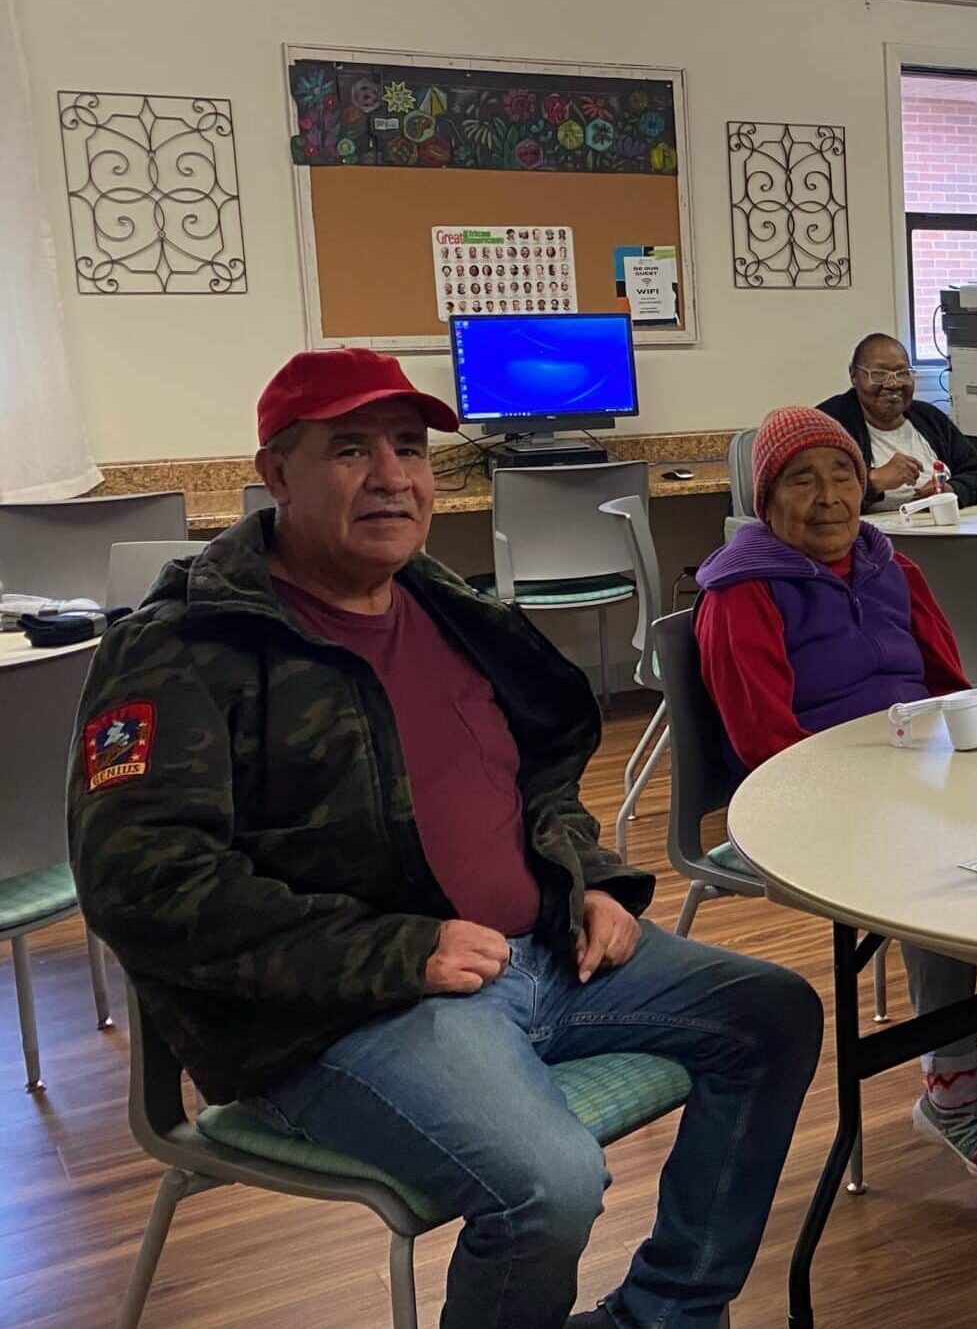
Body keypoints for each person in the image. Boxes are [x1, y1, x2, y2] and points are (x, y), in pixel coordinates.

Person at [69, 349, 821, 1329]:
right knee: (546, 1182)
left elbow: (535, 777)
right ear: (276, 474)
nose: (392, 475)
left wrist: (587, 876)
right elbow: (143, 882)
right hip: (347, 1013)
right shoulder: (184, 647)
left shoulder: (446, 607)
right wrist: (403, 949)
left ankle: (666, 1313)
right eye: (350, 449)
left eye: (409, 447)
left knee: (772, 1011)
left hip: (544, 953)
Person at [695, 406, 977, 1179]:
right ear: (765, 499)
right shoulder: (741, 591)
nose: (829, 497)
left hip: (917, 770)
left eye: (843, 474)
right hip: (812, 796)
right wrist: (900, 793)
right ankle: (948, 1085)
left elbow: (950, 686)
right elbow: (765, 747)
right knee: (943, 870)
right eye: (802, 480)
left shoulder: (892, 566)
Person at [816, 332, 977, 512]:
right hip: (870, 536)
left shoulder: (930, 419)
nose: (893, 384)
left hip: (941, 532)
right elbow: (818, 494)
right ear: (854, 375)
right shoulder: (829, 424)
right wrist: (874, 481)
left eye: (903, 374)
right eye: (879, 374)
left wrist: (951, 490)